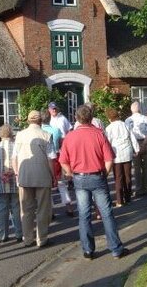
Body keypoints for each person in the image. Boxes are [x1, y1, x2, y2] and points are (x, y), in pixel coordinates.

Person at [59, 104, 129, 260]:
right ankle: (116, 249)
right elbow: (109, 159)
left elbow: (63, 160)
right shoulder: (99, 134)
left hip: (79, 177)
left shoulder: (70, 136)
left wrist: (70, 173)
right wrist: (105, 173)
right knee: (106, 214)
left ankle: (88, 250)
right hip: (97, 176)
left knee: (84, 215)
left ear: (76, 118)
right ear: (91, 118)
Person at [12, 110, 56, 248]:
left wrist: (17, 173)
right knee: (43, 208)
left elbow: (14, 157)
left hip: (24, 175)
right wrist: (53, 175)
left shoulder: (20, 135)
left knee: (26, 209)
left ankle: (27, 238)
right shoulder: (47, 135)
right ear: (40, 121)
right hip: (42, 174)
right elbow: (51, 159)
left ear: (28, 120)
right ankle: (41, 239)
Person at [0, 124, 23, 242]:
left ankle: (3, 235)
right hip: (14, 180)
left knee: (2, 209)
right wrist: (11, 173)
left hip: (0, 182)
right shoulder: (16, 146)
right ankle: (19, 234)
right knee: (16, 208)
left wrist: (1, 175)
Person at [41, 109, 74, 217]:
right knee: (61, 184)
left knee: (47, 187)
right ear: (50, 118)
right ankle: (69, 207)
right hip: (55, 157)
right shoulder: (55, 130)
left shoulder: (39, 131)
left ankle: (51, 211)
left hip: (43, 160)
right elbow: (61, 145)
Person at [105, 108, 138, 206]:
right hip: (127, 152)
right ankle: (128, 197)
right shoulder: (125, 125)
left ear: (109, 118)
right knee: (127, 176)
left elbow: (108, 142)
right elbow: (132, 137)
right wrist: (136, 149)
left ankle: (120, 200)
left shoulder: (109, 128)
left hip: (116, 154)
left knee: (118, 177)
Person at [125, 101, 147, 196]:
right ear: (139, 109)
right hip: (145, 142)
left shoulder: (128, 120)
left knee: (136, 167)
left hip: (133, 143)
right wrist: (144, 144)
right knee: (146, 167)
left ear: (131, 110)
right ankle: (145, 187)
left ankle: (138, 188)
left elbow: (128, 134)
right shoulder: (146, 118)